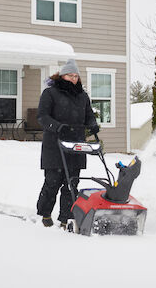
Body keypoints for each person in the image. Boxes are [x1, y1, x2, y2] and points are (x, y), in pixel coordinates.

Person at [36, 59, 99, 229]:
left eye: (76, 76)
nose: (74, 78)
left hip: (76, 145)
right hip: (54, 145)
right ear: (62, 76)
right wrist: (58, 127)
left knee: (72, 183)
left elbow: (89, 115)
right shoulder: (50, 93)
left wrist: (92, 125)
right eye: (70, 75)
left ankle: (66, 218)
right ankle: (45, 213)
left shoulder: (82, 96)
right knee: (53, 181)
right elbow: (42, 116)